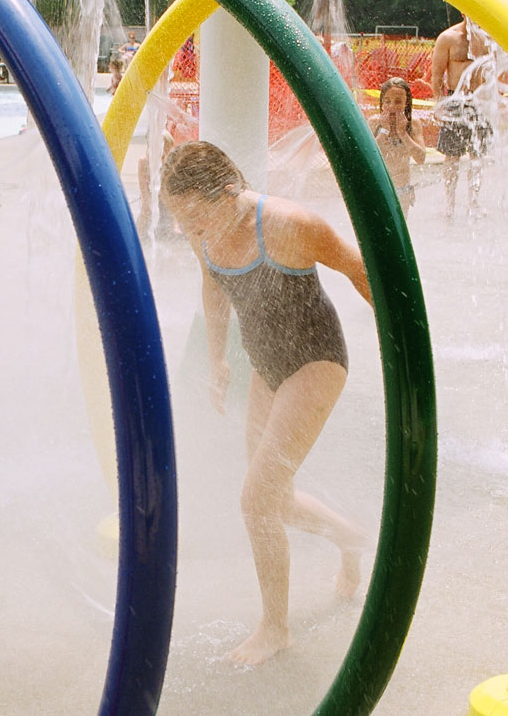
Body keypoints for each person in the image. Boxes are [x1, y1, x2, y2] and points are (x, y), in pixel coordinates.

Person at [160, 141, 373, 666]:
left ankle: (275, 629)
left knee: (256, 499)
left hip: (316, 360)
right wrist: (217, 360)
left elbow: (359, 268)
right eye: (179, 220)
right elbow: (212, 287)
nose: (188, 230)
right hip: (266, 365)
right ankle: (350, 537)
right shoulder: (205, 234)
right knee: (274, 499)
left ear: (228, 193)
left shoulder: (287, 225)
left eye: (193, 217)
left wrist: (404, 346)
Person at [431, 16, 491, 218]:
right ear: (463, 12)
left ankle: (473, 201)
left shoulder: (487, 38)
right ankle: (450, 203)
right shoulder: (449, 38)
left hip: (479, 101)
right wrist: (439, 104)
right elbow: (437, 74)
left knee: (478, 156)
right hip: (455, 99)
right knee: (452, 156)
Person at [369, 76, 426, 217]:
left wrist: (402, 133)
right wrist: (384, 131)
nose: (392, 107)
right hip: (379, 188)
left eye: (398, 102)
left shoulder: (413, 125)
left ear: (406, 103)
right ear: (381, 103)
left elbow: (421, 158)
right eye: (387, 101)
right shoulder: (374, 122)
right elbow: (368, 156)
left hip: (402, 189)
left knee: (400, 228)